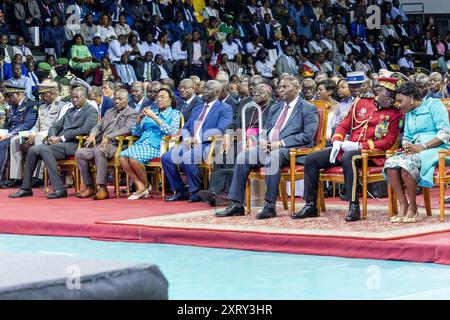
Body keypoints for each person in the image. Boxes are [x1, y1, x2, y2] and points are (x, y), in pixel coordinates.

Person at [294, 77, 404, 222]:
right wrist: (337, 141)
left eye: (395, 95)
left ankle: (354, 205)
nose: (392, 98)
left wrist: (359, 146)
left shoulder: (396, 113)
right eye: (389, 94)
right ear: (380, 90)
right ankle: (310, 204)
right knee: (312, 159)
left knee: (348, 157)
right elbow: (344, 124)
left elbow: (388, 141)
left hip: (371, 154)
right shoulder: (361, 102)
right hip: (348, 147)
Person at [216, 76, 319, 219]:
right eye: (280, 87)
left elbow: (307, 136)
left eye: (285, 87)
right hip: (269, 148)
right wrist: (262, 140)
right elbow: (264, 129)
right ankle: (237, 204)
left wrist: (281, 143)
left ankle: (269, 206)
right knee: (242, 157)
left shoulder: (308, 108)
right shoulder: (276, 107)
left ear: (297, 89)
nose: (281, 90)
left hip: (292, 150)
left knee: (273, 158)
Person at [9, 87, 98, 199]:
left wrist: (61, 138)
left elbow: (85, 129)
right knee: (33, 150)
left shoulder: (91, 111)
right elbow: (55, 126)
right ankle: (25, 188)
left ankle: (59, 188)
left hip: (75, 144)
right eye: (72, 98)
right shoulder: (70, 111)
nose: (74, 100)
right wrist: (52, 136)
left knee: (44, 149)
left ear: (85, 98)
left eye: (77, 97)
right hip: (59, 144)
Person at [384, 82, 450, 223]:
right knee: (390, 164)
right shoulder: (408, 113)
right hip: (415, 150)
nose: (399, 104)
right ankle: (404, 204)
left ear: (412, 97)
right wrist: (407, 145)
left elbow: (445, 133)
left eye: (401, 100)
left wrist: (422, 147)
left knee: (406, 164)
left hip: (438, 149)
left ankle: (413, 207)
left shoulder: (434, 105)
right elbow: (406, 136)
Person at [161, 80, 232, 202]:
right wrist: (188, 138)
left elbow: (220, 130)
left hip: (207, 143)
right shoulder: (198, 108)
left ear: (216, 92)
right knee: (166, 158)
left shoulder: (225, 108)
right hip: (189, 143)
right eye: (204, 88)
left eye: (208, 88)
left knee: (188, 157)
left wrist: (197, 139)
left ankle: (195, 191)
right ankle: (181, 190)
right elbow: (186, 127)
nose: (204, 90)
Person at [76, 88, 138, 200]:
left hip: (117, 144)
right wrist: (92, 134)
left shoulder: (132, 113)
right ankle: (90, 187)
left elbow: (127, 129)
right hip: (100, 143)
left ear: (127, 100)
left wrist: (109, 136)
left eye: (120, 99)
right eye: (115, 99)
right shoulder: (110, 111)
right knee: (80, 153)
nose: (117, 101)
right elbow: (98, 126)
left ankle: (102, 188)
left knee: (99, 151)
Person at [119, 88, 182, 200]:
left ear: (171, 100)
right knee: (122, 157)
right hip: (142, 143)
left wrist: (154, 117)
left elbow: (172, 132)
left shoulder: (175, 114)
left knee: (134, 158)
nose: (159, 99)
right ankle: (141, 186)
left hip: (159, 145)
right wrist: (140, 118)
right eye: (158, 97)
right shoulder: (151, 112)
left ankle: (144, 187)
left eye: (162, 97)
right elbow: (136, 132)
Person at [7, 80, 68, 188]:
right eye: (41, 94)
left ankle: (38, 177)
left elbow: (58, 127)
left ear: (52, 93)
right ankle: (16, 177)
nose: (42, 97)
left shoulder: (63, 106)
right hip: (39, 133)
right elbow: (36, 126)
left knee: (39, 138)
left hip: (52, 136)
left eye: (44, 94)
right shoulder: (42, 107)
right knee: (15, 139)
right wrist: (31, 133)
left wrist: (36, 134)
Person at [0, 84, 38, 185]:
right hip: (11, 134)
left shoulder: (31, 105)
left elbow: (28, 124)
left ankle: (1, 178)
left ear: (18, 94)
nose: (7, 99)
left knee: (3, 144)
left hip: (25, 134)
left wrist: (9, 134)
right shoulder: (12, 107)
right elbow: (7, 125)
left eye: (9, 96)